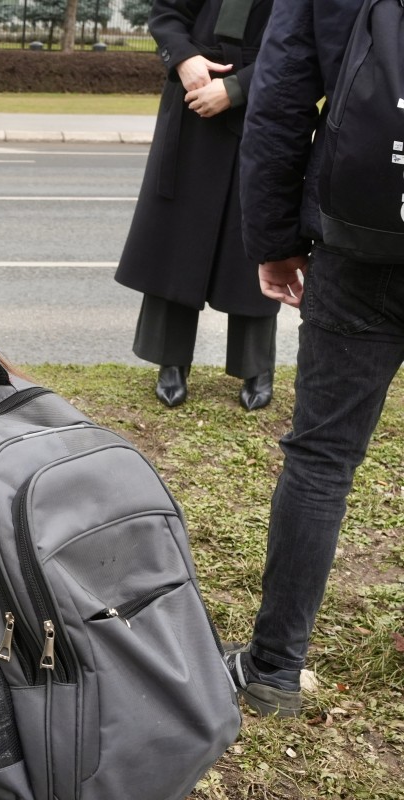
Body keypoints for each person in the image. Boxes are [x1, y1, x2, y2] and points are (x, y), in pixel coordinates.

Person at [226, 0, 400, 717]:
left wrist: (274, 238)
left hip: (361, 250)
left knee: (323, 458)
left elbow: (281, 98)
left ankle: (272, 672)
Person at [114, 0, 277, 411]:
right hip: (191, 99)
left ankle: (255, 364)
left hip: (268, 105)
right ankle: (171, 359)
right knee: (178, 229)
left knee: (256, 234)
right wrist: (184, 59)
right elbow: (167, 13)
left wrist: (238, 87)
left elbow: (305, 47)